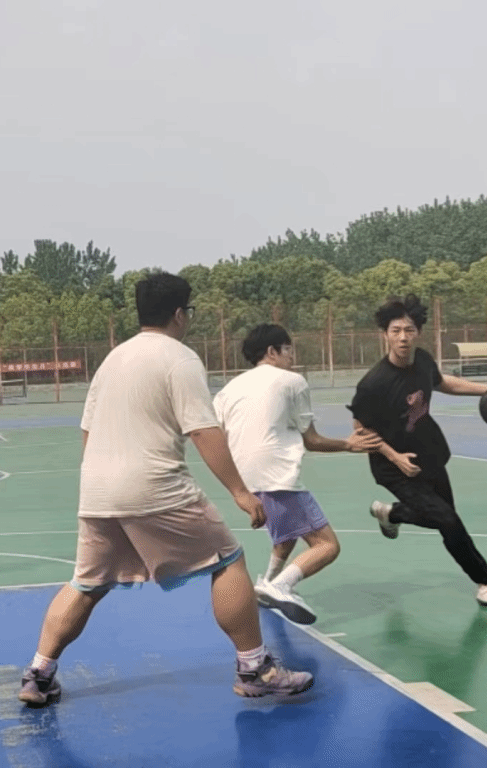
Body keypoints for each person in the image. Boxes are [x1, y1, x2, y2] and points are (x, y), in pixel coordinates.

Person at [17, 273, 314, 709]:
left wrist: (103, 483)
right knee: (228, 561)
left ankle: (39, 674)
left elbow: (88, 431)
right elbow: (203, 430)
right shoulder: (180, 358)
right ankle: (255, 669)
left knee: (87, 583)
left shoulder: (112, 360)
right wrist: (240, 491)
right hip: (154, 486)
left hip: (97, 491)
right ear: (179, 313)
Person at [213, 323, 380, 625]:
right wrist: (349, 444)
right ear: (272, 351)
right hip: (277, 476)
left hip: (246, 479)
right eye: (288, 350)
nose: (292, 356)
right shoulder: (292, 381)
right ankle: (280, 586)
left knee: (288, 535)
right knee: (326, 545)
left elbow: (219, 438)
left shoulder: (227, 390)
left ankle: (267, 583)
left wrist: (240, 490)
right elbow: (311, 440)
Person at [350, 295, 487, 609]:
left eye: (409, 330)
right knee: (448, 520)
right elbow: (360, 429)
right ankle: (486, 582)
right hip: (395, 467)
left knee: (445, 518)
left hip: (429, 454)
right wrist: (394, 456)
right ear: (385, 334)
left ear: (418, 332)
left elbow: (443, 382)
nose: (403, 337)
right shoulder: (374, 384)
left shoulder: (422, 360)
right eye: (396, 331)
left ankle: (392, 513)